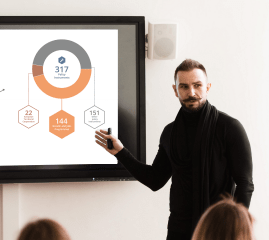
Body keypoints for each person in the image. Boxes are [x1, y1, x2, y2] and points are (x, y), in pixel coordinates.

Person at [95, 59, 254, 240]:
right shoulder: (170, 132)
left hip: (217, 229)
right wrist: (120, 152)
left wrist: (235, 229)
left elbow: (245, 184)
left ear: (208, 87)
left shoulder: (230, 128)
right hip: (179, 230)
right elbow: (155, 179)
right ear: (175, 90)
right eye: (184, 87)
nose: (191, 92)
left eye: (197, 85)